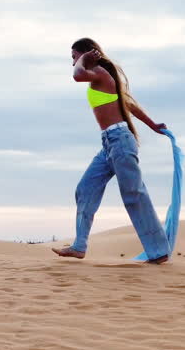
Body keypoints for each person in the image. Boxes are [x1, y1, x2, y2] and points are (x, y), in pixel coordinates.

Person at [52, 38, 171, 264]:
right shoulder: (101, 77)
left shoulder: (97, 73)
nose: (73, 62)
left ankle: (158, 251)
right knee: (85, 189)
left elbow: (77, 75)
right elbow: (128, 104)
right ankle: (79, 246)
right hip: (108, 143)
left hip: (120, 140)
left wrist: (84, 61)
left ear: (86, 54)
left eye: (74, 57)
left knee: (134, 194)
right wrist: (152, 125)